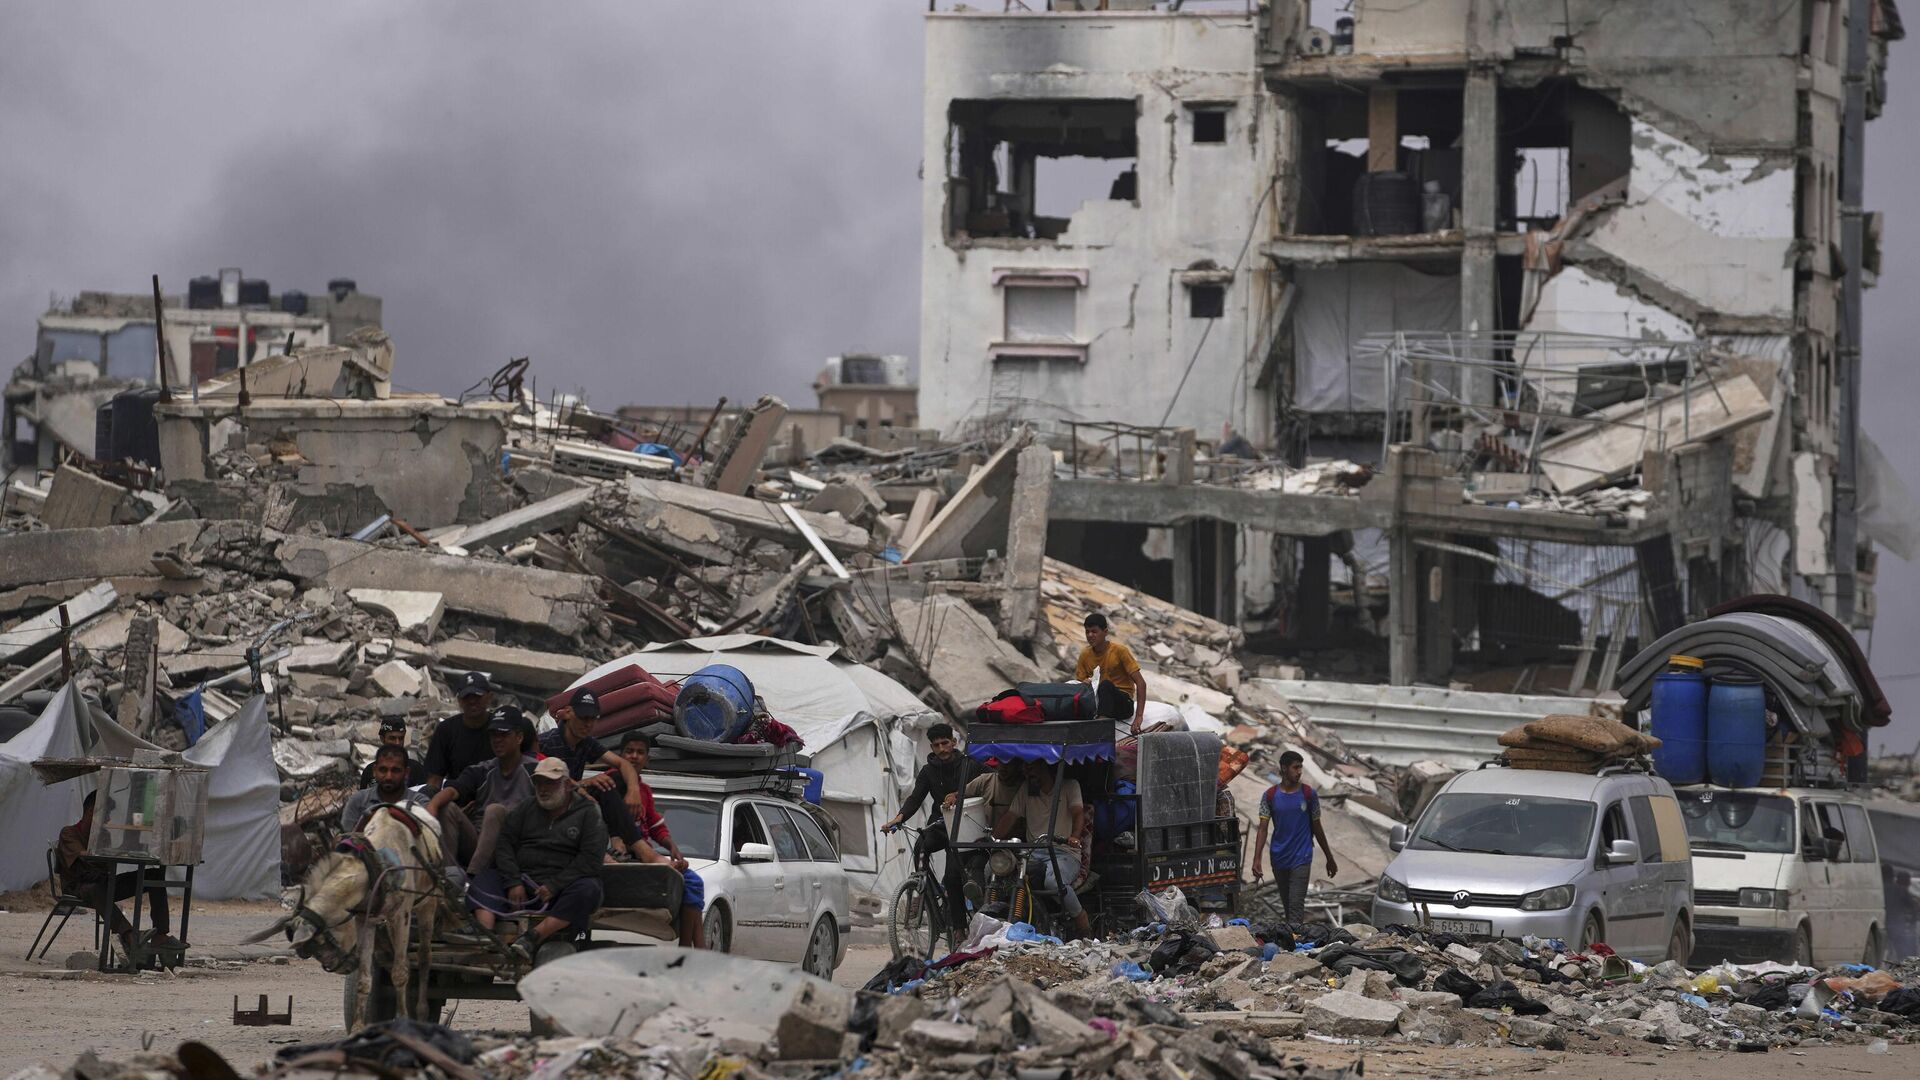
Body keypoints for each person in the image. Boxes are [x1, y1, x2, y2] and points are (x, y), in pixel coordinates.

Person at [468, 757, 607, 963]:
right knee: (483, 881)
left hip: (563, 887)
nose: (543, 789)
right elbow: (505, 843)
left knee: (589, 889)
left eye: (550, 783)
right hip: (524, 881)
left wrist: (555, 885)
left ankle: (533, 937)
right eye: (539, 783)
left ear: (567, 784)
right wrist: (513, 881)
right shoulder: (526, 808)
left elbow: (590, 859)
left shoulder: (588, 812)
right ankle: (485, 937)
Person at [58, 792, 183, 960]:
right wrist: (111, 853)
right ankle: (129, 935)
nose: (108, 819)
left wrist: (127, 847)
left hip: (103, 883)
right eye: (106, 814)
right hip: (79, 886)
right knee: (94, 889)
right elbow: (85, 856)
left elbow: (107, 864)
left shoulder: (104, 835)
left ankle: (160, 935)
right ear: (91, 812)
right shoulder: (69, 833)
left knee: (154, 876)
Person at [882, 724, 979, 930]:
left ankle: (959, 929)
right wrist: (898, 818)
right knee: (921, 844)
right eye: (936, 745)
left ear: (954, 742)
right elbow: (915, 798)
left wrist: (959, 796)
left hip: (963, 827)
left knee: (952, 877)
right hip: (940, 823)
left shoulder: (969, 765)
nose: (942, 749)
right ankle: (923, 891)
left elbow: (986, 785)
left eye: (945, 743)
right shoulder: (928, 771)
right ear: (931, 748)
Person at [617, 732, 706, 948]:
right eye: (629, 751)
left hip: (645, 856)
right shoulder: (611, 782)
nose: (634, 756)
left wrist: (672, 847)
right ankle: (691, 946)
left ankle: (692, 946)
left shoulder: (644, 790)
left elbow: (656, 826)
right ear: (620, 756)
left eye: (640, 752)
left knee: (692, 881)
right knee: (692, 882)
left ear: (647, 759)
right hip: (625, 857)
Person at [540, 687, 650, 859]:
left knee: (615, 778)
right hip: (552, 804)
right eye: (583, 718)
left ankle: (620, 841)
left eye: (593, 718)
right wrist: (585, 783)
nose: (588, 724)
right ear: (568, 713)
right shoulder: (547, 743)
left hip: (575, 799)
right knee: (600, 785)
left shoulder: (586, 742)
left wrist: (633, 790)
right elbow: (549, 784)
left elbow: (622, 763)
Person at [427, 706, 538, 875]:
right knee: (447, 807)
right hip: (478, 844)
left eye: (503, 734)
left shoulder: (534, 770)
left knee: (495, 810)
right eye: (493, 735)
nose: (497, 740)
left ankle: (473, 878)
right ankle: (448, 877)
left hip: (514, 846)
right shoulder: (482, 770)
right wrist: (433, 806)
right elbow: (453, 790)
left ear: (519, 737)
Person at [994, 762, 1090, 937]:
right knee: (994, 871)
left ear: (1045, 765)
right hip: (1033, 852)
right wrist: (993, 839)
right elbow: (1011, 816)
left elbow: (1078, 813)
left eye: (1031, 768)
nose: (1027, 773)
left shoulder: (1069, 786)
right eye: (1025, 769)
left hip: (1064, 852)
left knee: (1053, 882)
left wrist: (1075, 836)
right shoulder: (1026, 789)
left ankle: (1080, 916)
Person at [1250, 750, 1339, 924]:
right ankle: (1293, 938)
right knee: (1288, 906)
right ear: (1284, 768)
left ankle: (1295, 937)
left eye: (1300, 768)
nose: (1299, 772)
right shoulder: (1269, 796)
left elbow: (1317, 827)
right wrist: (1257, 859)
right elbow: (1262, 829)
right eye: (1295, 767)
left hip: (1302, 857)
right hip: (1279, 857)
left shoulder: (1309, 794)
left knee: (1296, 906)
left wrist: (1329, 857)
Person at [423, 672, 498, 793]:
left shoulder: (500, 728)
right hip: (457, 796)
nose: (472, 701)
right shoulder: (446, 730)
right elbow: (434, 779)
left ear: (489, 697)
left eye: (477, 696)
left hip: (496, 795)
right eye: (466, 697)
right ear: (459, 700)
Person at [1075, 613, 1148, 733]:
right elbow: (1079, 684)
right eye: (1087, 632)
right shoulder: (1084, 655)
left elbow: (1141, 683)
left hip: (1122, 703)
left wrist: (1139, 716)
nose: (1090, 635)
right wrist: (1084, 683)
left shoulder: (1120, 651)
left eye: (1094, 631)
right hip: (1098, 700)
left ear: (1105, 632)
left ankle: (1101, 725)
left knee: (1105, 685)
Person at [342, 745, 432, 833]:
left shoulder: (419, 803)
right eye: (383, 770)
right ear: (374, 771)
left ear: (406, 773)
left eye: (395, 770)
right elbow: (344, 838)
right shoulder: (358, 801)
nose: (389, 777)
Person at [358, 717, 426, 789]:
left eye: (401, 738)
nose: (397, 743)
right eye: (392, 738)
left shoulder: (416, 770)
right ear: (382, 739)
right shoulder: (369, 771)